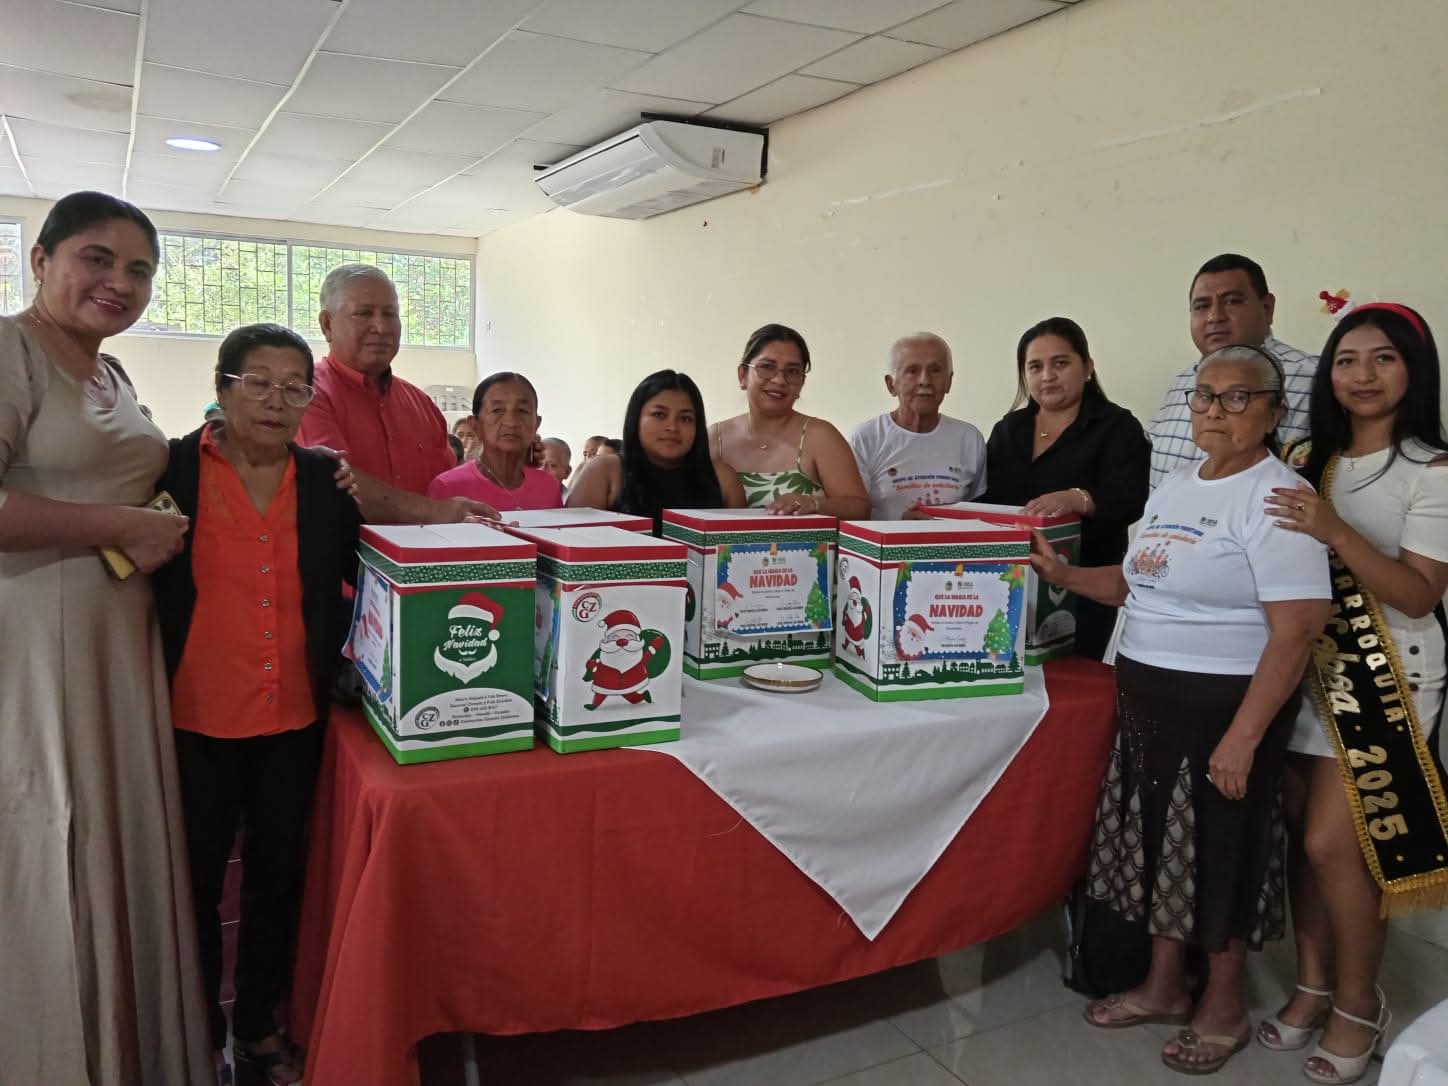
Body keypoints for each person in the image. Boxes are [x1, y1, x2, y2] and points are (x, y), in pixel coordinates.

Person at [1034, 344, 1331, 1075]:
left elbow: (1297, 630)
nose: (1215, 410)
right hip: (1149, 695)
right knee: (1160, 845)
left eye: (1238, 397)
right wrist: (1065, 573)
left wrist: (1245, 736)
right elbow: (1138, 581)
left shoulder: (1277, 497)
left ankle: (1223, 1005)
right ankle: (1164, 985)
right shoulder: (1174, 485)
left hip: (1224, 705)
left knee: (1223, 851)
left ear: (1273, 412)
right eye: (1205, 395)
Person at [0, 192, 212, 1084]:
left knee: (113, 838)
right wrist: (116, 526)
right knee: (51, 832)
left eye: (138, 270)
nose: (118, 282)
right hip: (35, 640)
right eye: (96, 258)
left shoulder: (110, 371)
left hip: (117, 639)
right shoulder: (10, 350)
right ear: (40, 261)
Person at [152, 323, 364, 1086]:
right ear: (223, 388)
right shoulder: (172, 468)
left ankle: (258, 1026)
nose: (277, 401)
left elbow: (359, 576)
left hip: (293, 718)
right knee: (195, 888)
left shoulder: (324, 481)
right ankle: (199, 1031)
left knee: (278, 881)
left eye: (294, 387)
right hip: (194, 717)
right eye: (259, 384)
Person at [1256, 304, 1448, 1084]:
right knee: (1304, 845)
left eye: (1384, 359)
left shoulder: (1431, 469)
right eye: (1346, 360)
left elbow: (1416, 591)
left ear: (1415, 370)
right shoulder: (1310, 457)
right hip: (1304, 668)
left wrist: (1335, 530)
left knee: (1335, 846)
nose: (1362, 376)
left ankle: (1361, 1005)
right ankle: (1312, 986)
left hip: (1385, 676)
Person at [981, 317, 1150, 659]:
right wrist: (937, 515)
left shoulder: (1117, 427)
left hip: (1085, 587)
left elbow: (1131, 499)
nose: (1047, 375)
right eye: (1035, 366)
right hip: (1009, 582)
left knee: (1072, 679)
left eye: (1060, 363)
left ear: (1087, 367)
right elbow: (990, 499)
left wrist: (1079, 499)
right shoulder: (1009, 429)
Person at [297, 263, 494, 522]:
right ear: (327, 324)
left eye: (390, 314)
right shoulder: (303, 394)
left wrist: (512, 459)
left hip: (432, 546)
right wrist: (434, 511)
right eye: (364, 313)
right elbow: (333, 480)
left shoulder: (421, 403)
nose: (381, 327)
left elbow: (450, 483)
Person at [1147, 253, 1317, 489]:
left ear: (1267, 308)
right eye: (1202, 306)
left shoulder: (1313, 379)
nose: (1214, 317)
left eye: (1232, 302)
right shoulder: (1181, 383)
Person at [710, 323, 870, 518]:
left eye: (792, 371)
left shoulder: (821, 436)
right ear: (742, 375)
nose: (779, 380)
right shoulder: (713, 439)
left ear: (802, 382)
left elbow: (860, 508)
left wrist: (815, 504)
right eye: (767, 367)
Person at [567, 370, 746, 531]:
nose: (672, 427)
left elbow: (741, 546)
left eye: (685, 418)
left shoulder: (722, 477)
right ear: (636, 418)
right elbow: (573, 541)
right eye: (659, 415)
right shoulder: (604, 471)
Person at [848, 332, 986, 519]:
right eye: (912, 371)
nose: (925, 381)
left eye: (935, 370)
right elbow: (852, 516)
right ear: (891, 384)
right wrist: (901, 527)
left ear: (949, 381)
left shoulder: (969, 438)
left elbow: (978, 514)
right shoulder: (865, 439)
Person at [429, 372, 563, 512]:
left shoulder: (549, 487)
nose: (511, 422)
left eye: (522, 411)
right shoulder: (448, 486)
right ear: (476, 425)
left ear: (536, 423)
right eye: (497, 410)